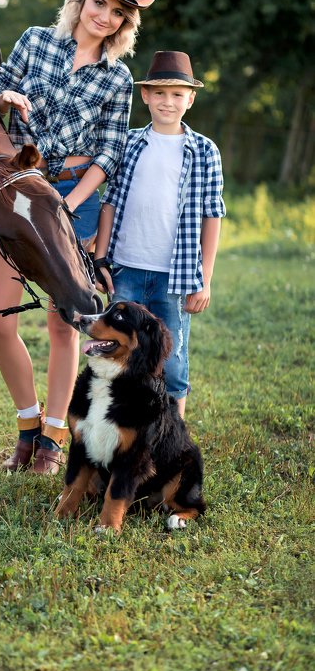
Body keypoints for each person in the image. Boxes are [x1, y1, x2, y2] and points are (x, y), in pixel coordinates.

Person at [0, 0, 156, 474]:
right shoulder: (35, 41)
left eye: (118, 13)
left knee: (65, 328)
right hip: (20, 194)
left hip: (72, 199)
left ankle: (53, 439)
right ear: (82, 0)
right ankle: (27, 423)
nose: (105, 17)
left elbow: (109, 152)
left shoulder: (117, 78)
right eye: (99, 3)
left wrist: (72, 204)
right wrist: (4, 96)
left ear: (125, 24)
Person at [93, 50, 225, 417]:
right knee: (117, 351)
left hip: (175, 276)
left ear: (190, 99)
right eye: (160, 93)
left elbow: (212, 215)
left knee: (172, 360)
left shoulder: (204, 151)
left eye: (177, 94)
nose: (168, 101)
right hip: (127, 268)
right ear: (146, 95)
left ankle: (172, 432)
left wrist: (205, 280)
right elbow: (110, 202)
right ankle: (117, 426)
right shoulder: (129, 144)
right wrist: (100, 258)